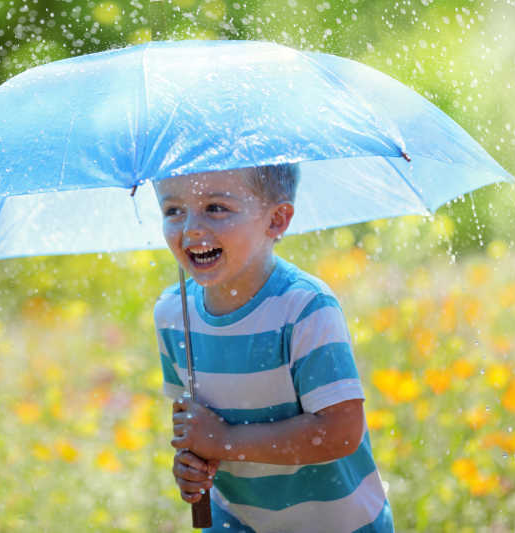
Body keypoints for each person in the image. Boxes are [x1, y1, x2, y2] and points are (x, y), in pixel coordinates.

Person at [152, 164, 394, 532]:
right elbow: (194, 424)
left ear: (276, 220)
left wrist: (226, 441)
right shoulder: (173, 313)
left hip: (336, 523)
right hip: (236, 520)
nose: (191, 229)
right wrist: (193, 462)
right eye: (173, 211)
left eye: (216, 207)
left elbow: (341, 431)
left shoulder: (303, 308)